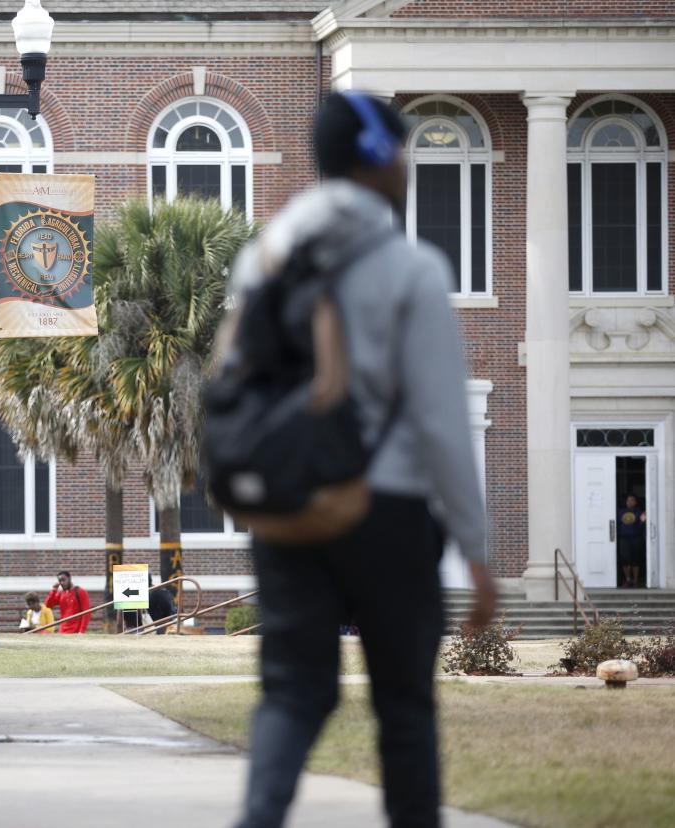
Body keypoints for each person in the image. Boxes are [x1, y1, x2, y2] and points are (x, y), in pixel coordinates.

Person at [232, 92, 496, 828]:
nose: (408, 163)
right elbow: (444, 423)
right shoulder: (411, 270)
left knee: (290, 693)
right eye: (404, 148)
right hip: (389, 513)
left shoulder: (262, 260)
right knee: (404, 704)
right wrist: (476, 553)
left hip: (287, 512)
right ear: (379, 156)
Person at [617, 494, 646, 588]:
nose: (630, 502)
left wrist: (645, 515)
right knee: (625, 560)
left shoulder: (639, 511)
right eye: (628, 500)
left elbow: (643, 521)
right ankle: (628, 579)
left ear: (635, 502)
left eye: (632, 500)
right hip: (624, 538)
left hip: (636, 538)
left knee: (635, 560)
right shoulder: (621, 512)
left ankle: (636, 581)